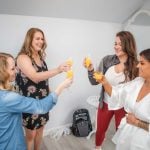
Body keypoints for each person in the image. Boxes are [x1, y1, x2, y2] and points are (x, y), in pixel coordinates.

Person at [0, 52, 73, 150]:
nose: (17, 71)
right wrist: (62, 86)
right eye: (13, 69)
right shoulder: (8, 98)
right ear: (2, 72)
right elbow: (41, 107)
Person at [15, 28, 70, 150]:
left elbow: (44, 81)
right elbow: (35, 77)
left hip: (44, 103)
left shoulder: (41, 58)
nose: (41, 41)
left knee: (40, 132)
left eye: (42, 38)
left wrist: (52, 93)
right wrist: (58, 69)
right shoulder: (22, 58)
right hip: (29, 104)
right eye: (37, 38)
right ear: (29, 40)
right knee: (31, 135)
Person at [83, 31, 138, 150]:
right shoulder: (107, 60)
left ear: (128, 45)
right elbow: (94, 81)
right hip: (106, 103)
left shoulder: (135, 66)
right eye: (115, 43)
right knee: (100, 130)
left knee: (122, 134)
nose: (116, 46)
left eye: (120, 44)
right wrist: (91, 69)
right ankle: (97, 147)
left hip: (123, 107)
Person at [96, 48, 150, 150]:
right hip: (126, 138)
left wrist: (137, 123)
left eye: (142, 63)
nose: (137, 66)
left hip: (144, 144)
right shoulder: (138, 82)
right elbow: (117, 93)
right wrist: (105, 82)